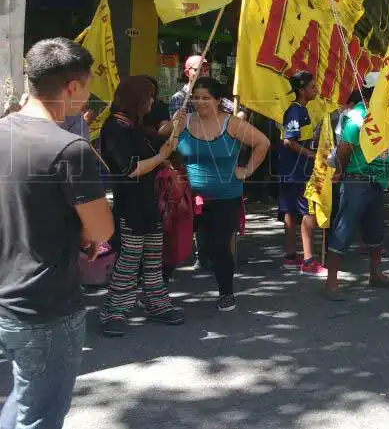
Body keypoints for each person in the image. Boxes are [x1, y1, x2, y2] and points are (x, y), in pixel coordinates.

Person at [0, 38, 113, 428]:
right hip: (44, 302)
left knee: (23, 397)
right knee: (41, 413)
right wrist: (88, 232)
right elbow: (101, 227)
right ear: (73, 87)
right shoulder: (70, 148)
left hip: (6, 296)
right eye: (87, 86)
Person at [97, 77, 184, 337]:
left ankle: (156, 302)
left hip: (150, 202)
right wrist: (161, 158)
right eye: (148, 96)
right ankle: (114, 311)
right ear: (136, 99)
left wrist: (173, 133)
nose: (152, 101)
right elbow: (129, 169)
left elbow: (159, 145)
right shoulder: (115, 127)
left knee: (153, 259)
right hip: (130, 205)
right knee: (128, 261)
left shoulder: (135, 127)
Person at [174, 77, 270, 312]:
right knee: (175, 245)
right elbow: (163, 140)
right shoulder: (183, 120)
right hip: (188, 197)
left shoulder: (232, 124)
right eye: (196, 97)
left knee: (218, 247)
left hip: (225, 198)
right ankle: (156, 293)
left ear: (218, 100)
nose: (200, 102)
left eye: (206, 97)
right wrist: (171, 125)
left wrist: (246, 171)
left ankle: (226, 293)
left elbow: (263, 143)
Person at [324, 72, 389, 301]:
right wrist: (340, 172)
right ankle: (331, 283)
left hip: (378, 182)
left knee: (375, 230)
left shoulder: (385, 116)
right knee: (343, 229)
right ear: (371, 93)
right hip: (357, 181)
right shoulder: (356, 115)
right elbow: (345, 148)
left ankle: (376, 274)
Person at [278, 71, 324, 275]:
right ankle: (308, 260)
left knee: (290, 211)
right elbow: (288, 140)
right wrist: (312, 155)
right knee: (307, 211)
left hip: (292, 170)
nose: (316, 90)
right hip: (296, 170)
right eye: (313, 87)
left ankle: (290, 256)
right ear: (302, 90)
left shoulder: (302, 110)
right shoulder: (296, 111)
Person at [167, 54, 234, 116]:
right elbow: (178, 125)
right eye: (198, 70)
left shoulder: (212, 94)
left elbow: (236, 109)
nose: (203, 73)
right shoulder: (179, 98)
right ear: (187, 73)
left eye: (206, 70)